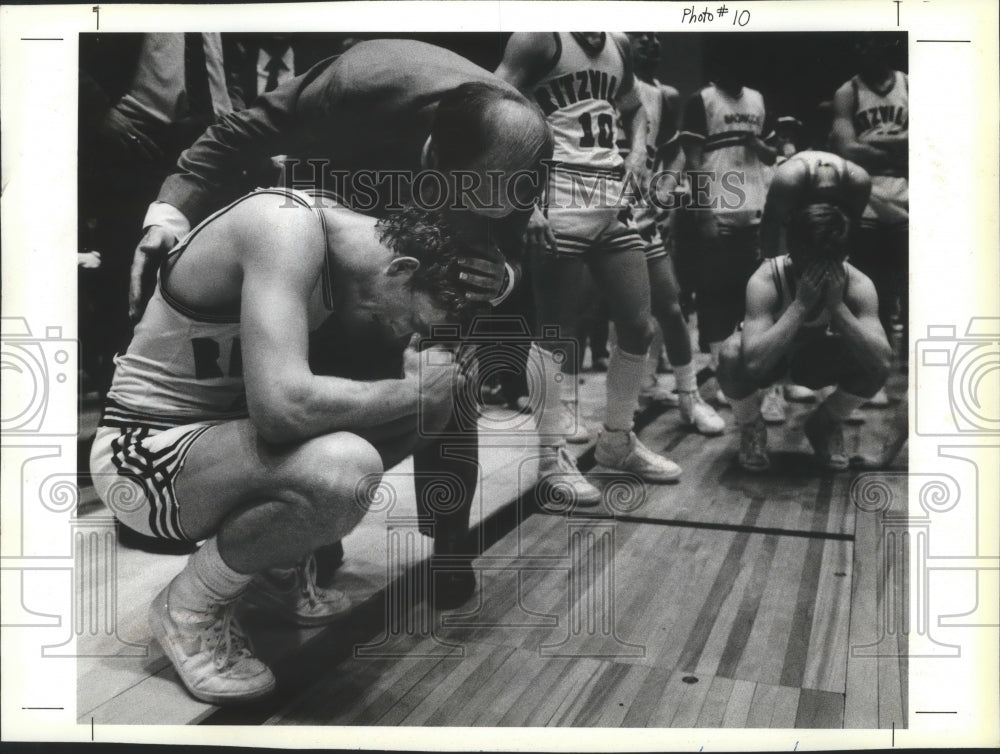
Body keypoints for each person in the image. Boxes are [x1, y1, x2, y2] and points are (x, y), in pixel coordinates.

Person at [127, 39, 555, 608]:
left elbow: (513, 250)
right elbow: (239, 132)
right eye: (464, 200)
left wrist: (501, 274)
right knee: (324, 371)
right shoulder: (362, 82)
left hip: (418, 231)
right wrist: (168, 212)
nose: (472, 217)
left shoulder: (523, 144)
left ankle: (450, 541)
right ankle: (304, 533)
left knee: (445, 376)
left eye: (488, 206)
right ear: (429, 155)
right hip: (334, 200)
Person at [90, 188, 481, 703]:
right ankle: (188, 608)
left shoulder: (341, 249)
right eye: (412, 320)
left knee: (407, 415)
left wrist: (424, 397)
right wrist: (413, 391)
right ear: (402, 269)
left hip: (209, 449)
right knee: (345, 466)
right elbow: (282, 412)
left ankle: (272, 570)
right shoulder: (285, 227)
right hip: (141, 457)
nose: (403, 333)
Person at [496, 31, 684, 507]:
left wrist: (639, 151)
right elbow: (492, 108)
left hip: (610, 197)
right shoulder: (539, 37)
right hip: (556, 195)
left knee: (638, 326)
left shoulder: (618, 44)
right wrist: (524, 205)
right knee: (558, 335)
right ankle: (550, 458)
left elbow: (635, 107)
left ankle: (617, 441)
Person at [79, 32, 240, 396]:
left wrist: (235, 117)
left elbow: (225, 68)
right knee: (131, 280)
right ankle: (125, 405)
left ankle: (197, 404)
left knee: (213, 285)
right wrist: (98, 112)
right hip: (139, 142)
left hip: (217, 143)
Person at [716, 203, 892, 472]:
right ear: (792, 247)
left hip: (816, 363)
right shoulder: (765, 278)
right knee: (730, 354)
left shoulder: (857, 284)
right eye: (809, 257)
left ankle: (825, 424)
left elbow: (881, 362)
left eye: (828, 257)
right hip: (773, 362)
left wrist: (837, 307)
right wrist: (800, 305)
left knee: (874, 361)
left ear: (844, 253)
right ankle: (751, 425)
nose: (817, 266)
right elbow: (754, 365)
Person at [624, 32, 724, 435]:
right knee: (609, 315)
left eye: (654, 39)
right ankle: (624, 399)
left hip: (641, 211)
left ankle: (688, 397)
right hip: (591, 203)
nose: (650, 44)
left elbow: (676, 151)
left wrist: (662, 193)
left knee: (669, 304)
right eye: (640, 38)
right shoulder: (590, 82)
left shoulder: (662, 95)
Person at [680, 45, 777, 407]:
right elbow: (692, 162)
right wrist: (703, 212)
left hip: (754, 208)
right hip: (718, 209)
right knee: (715, 296)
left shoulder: (757, 100)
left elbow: (769, 155)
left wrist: (760, 145)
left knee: (749, 294)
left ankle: (748, 367)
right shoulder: (701, 100)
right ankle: (721, 371)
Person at [757, 148, 873, 420]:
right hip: (790, 233)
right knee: (781, 300)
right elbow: (770, 229)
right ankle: (772, 391)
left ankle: (827, 385)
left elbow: (850, 231)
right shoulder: (789, 179)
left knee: (832, 293)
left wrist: (838, 270)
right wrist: (770, 272)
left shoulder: (859, 180)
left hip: (829, 233)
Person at [831, 34, 908, 405]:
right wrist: (900, 149)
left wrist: (874, 148)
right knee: (872, 293)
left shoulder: (911, 85)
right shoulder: (848, 91)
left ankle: (914, 373)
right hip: (866, 199)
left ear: (886, 43)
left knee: (913, 293)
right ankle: (873, 373)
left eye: (868, 42)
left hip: (911, 197)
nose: (860, 48)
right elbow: (846, 148)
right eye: (856, 43)